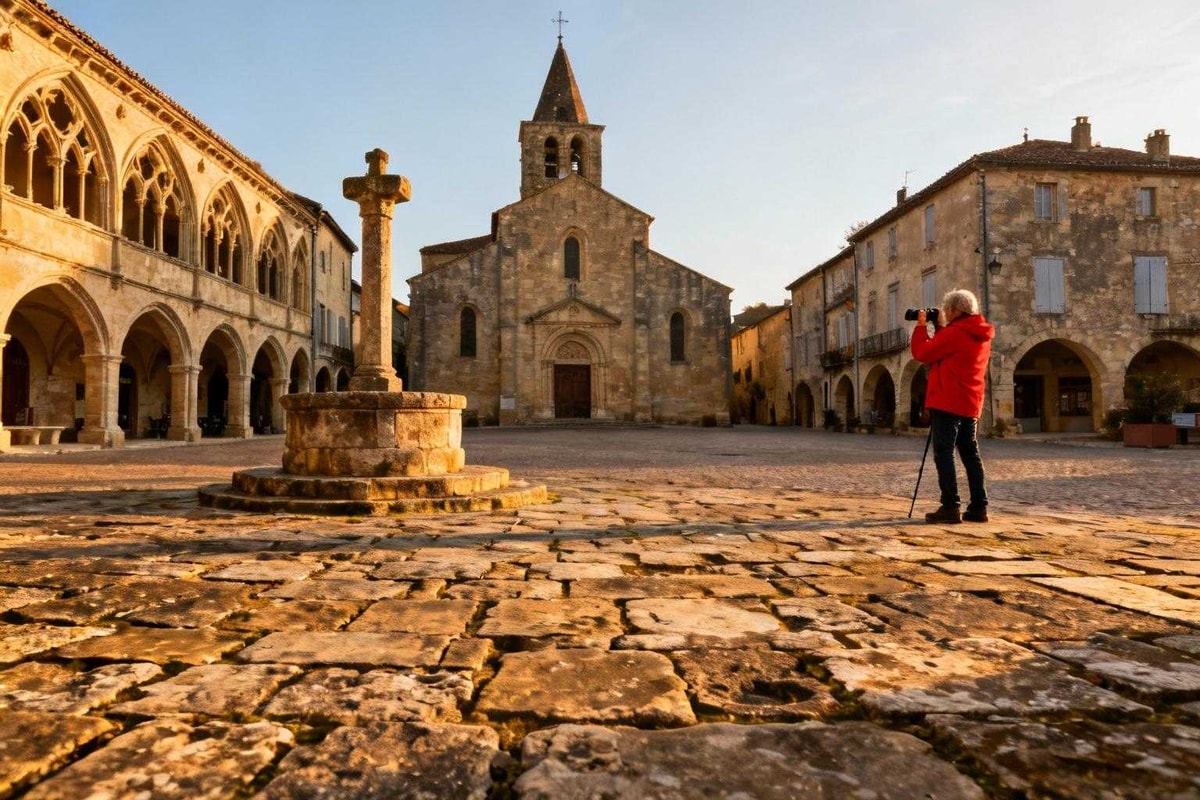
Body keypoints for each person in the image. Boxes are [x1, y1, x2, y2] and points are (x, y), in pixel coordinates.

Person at [910, 288, 995, 524]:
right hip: (970, 402)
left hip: (947, 401)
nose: (945, 313)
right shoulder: (979, 333)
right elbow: (949, 351)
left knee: (944, 453)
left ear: (955, 310)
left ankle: (950, 506)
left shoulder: (955, 332)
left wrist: (921, 327)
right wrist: (939, 327)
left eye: (947, 309)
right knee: (970, 454)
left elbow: (923, 352)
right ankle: (979, 507)